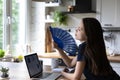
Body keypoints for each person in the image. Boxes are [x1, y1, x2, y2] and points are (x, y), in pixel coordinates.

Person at [54, 18, 120, 80]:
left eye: (80, 29)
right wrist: (58, 48)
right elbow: (70, 64)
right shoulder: (92, 46)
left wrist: (62, 73)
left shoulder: (84, 47)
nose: (76, 30)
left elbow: (75, 77)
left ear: (89, 33)